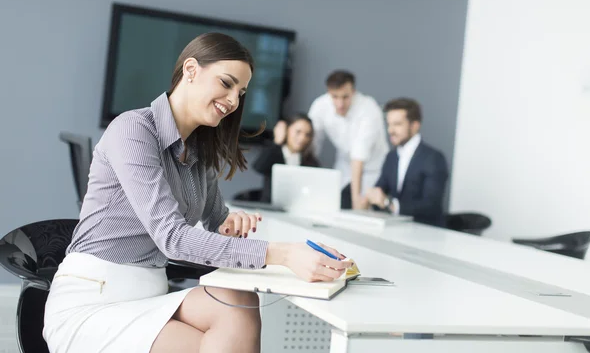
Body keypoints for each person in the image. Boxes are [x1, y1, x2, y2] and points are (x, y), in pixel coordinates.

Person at [42, 33, 352, 353]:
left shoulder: (197, 149)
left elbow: (217, 219)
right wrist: (284, 254)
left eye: (241, 92)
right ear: (191, 69)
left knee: (239, 302)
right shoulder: (133, 130)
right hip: (93, 300)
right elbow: (172, 238)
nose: (233, 101)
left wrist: (232, 223)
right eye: (226, 83)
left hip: (148, 297)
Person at [308, 70, 388, 209]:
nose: (340, 104)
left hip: (373, 169)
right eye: (335, 96)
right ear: (328, 92)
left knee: (362, 208)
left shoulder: (369, 109)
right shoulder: (320, 106)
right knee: (331, 205)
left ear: (354, 92)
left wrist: (356, 200)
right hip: (344, 165)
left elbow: (358, 156)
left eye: (345, 97)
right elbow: (312, 143)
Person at [364, 98, 448, 227]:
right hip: (396, 228)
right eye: (389, 124)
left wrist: (390, 204)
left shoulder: (434, 158)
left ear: (414, 125)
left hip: (426, 232)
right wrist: (374, 195)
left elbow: (431, 204)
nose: (390, 130)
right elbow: (380, 188)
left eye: (397, 124)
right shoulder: (391, 157)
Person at [252, 113, 320, 202]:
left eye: (307, 134)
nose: (302, 138)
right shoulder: (273, 152)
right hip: (270, 209)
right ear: (287, 130)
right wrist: (277, 142)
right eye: (298, 132)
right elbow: (258, 167)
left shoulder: (310, 161)